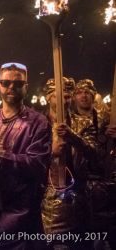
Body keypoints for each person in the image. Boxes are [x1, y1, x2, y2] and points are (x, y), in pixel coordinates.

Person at [0, 62, 51, 249]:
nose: (11, 88)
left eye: (17, 84)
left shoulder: (38, 123)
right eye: (6, 83)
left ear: (26, 86)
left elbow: (36, 165)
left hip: (19, 213)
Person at [41, 77, 96, 249]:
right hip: (43, 197)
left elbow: (94, 153)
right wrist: (51, 152)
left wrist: (72, 137)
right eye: (58, 95)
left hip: (74, 198)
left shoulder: (83, 123)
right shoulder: (37, 124)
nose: (63, 100)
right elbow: (27, 157)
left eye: (67, 96)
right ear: (49, 97)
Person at [73, 79, 116, 249]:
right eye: (80, 92)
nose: (84, 96)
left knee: (102, 229)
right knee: (80, 230)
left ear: (93, 96)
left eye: (87, 92)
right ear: (75, 97)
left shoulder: (106, 118)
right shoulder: (69, 120)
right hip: (76, 181)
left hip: (101, 182)